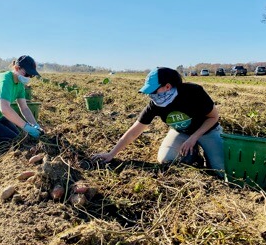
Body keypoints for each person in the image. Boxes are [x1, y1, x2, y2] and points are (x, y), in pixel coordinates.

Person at [93, 67, 224, 176]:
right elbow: (134, 131)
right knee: (166, 159)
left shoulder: (193, 92)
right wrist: (111, 153)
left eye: (153, 91)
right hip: (181, 132)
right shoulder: (156, 104)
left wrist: (194, 137)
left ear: (167, 86)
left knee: (220, 169)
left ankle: (208, 153)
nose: (151, 95)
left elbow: (213, 117)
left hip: (207, 130)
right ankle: (194, 156)